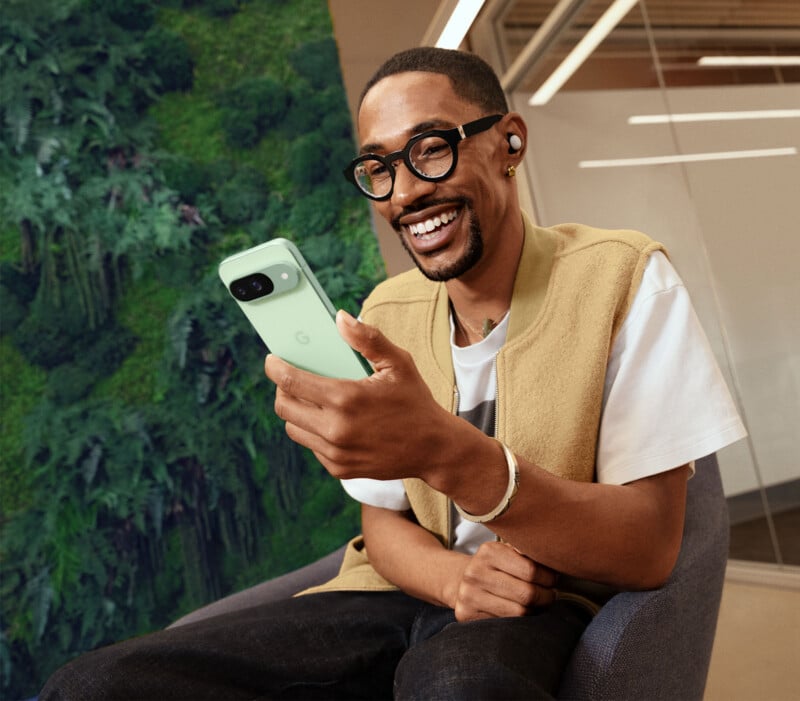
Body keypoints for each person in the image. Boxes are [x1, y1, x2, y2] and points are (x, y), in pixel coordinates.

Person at [41, 46, 746, 700]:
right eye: (379, 168)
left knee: (459, 687)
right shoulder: (388, 310)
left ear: (510, 143)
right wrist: (454, 577)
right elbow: (382, 522)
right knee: (94, 685)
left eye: (431, 149)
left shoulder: (624, 277)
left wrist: (446, 451)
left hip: (539, 599)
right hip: (404, 591)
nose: (404, 192)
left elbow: (650, 546)